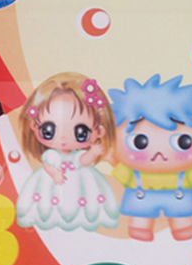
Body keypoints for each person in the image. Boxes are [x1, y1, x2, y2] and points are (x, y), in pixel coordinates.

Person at [108, 74, 192, 241]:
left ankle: (183, 227)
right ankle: (139, 227)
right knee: (140, 215)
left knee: (181, 215)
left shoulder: (183, 174)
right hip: (142, 199)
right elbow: (123, 173)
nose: (159, 153)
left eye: (183, 142)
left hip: (179, 199)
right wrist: (111, 158)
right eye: (139, 142)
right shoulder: (136, 174)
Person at [16, 72, 119, 232]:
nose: (63, 138)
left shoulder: (77, 156)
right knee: (47, 203)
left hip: (80, 182)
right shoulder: (51, 155)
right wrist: (55, 174)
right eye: (49, 130)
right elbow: (47, 165)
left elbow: (83, 161)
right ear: (34, 126)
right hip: (53, 182)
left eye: (81, 132)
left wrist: (93, 153)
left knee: (84, 202)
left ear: (99, 131)